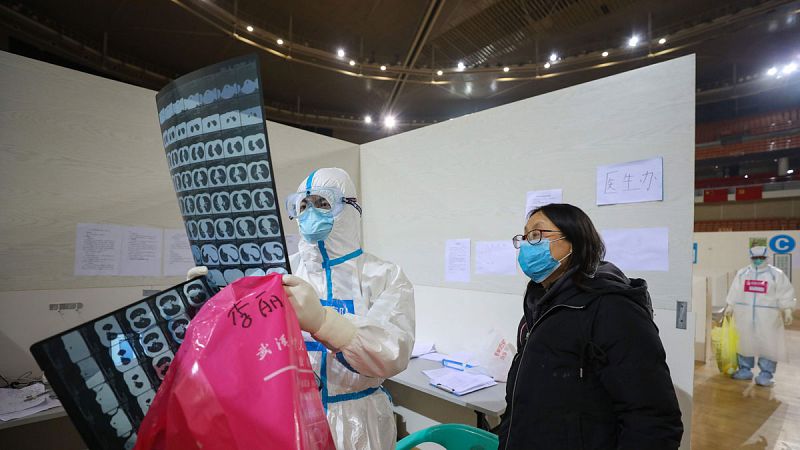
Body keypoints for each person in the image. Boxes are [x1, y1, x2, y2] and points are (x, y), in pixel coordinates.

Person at [192, 167, 414, 449]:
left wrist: (326, 323)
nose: (311, 214)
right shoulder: (282, 271)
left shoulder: (384, 276)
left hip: (358, 420)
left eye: (323, 204)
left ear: (350, 208)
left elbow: (394, 352)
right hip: (292, 416)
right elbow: (244, 336)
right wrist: (214, 299)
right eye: (304, 205)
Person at [496, 203, 683, 450]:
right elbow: (520, 401)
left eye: (537, 235)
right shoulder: (536, 308)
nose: (527, 244)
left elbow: (652, 420)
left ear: (574, 241)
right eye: (525, 236)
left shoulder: (613, 309)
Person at [724, 246, 796, 387]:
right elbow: (734, 291)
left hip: (768, 316)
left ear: (767, 258)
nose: (758, 260)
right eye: (755, 258)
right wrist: (730, 305)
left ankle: (766, 374)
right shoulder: (743, 273)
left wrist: (787, 309)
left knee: (768, 343)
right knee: (744, 341)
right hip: (744, 315)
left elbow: (785, 292)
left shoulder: (776, 274)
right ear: (750, 258)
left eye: (761, 258)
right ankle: (744, 369)